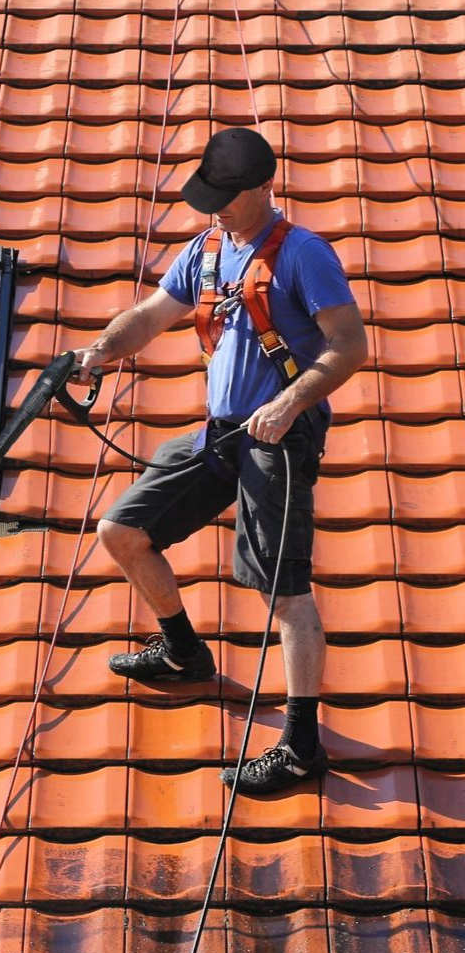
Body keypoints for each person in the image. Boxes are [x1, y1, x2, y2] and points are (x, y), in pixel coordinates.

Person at [74, 127, 369, 796]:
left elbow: (349, 346)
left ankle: (300, 747)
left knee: (282, 593)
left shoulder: (304, 255)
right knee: (122, 530)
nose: (218, 209)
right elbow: (150, 317)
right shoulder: (207, 250)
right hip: (222, 433)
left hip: (279, 442)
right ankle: (182, 650)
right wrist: (100, 350)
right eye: (211, 197)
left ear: (266, 186)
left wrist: (291, 404)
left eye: (228, 198)